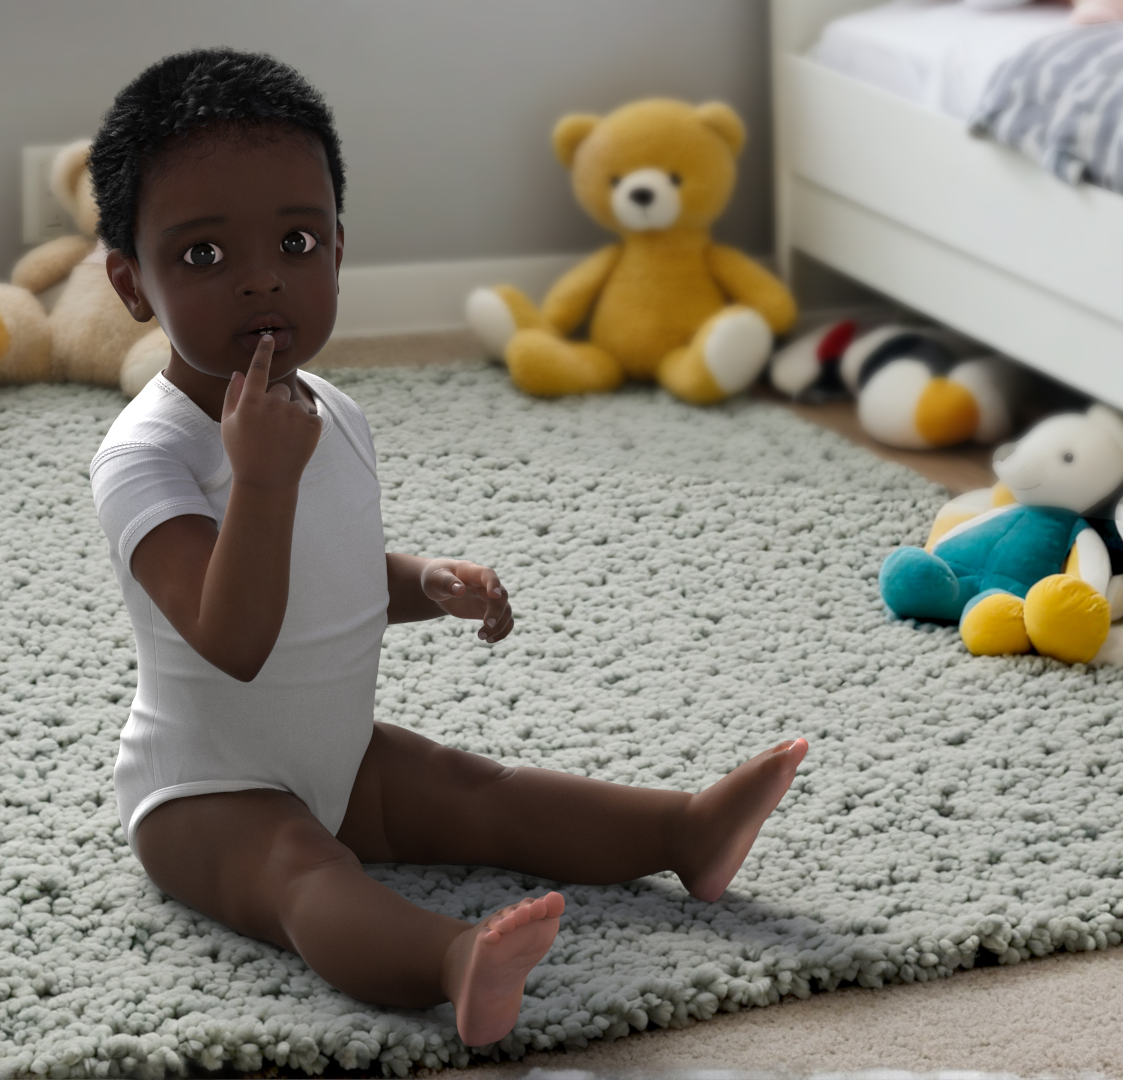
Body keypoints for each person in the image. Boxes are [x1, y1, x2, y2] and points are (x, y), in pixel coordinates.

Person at [87, 47, 810, 1047]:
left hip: (338, 755)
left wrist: (423, 583)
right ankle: (449, 958)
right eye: (205, 256)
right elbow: (232, 636)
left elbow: (324, 576)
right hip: (204, 790)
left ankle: (682, 830)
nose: (263, 280)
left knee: (483, 791)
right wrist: (259, 478)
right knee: (304, 871)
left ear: (338, 250)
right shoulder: (145, 456)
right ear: (132, 283)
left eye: (297, 241)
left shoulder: (328, 412)